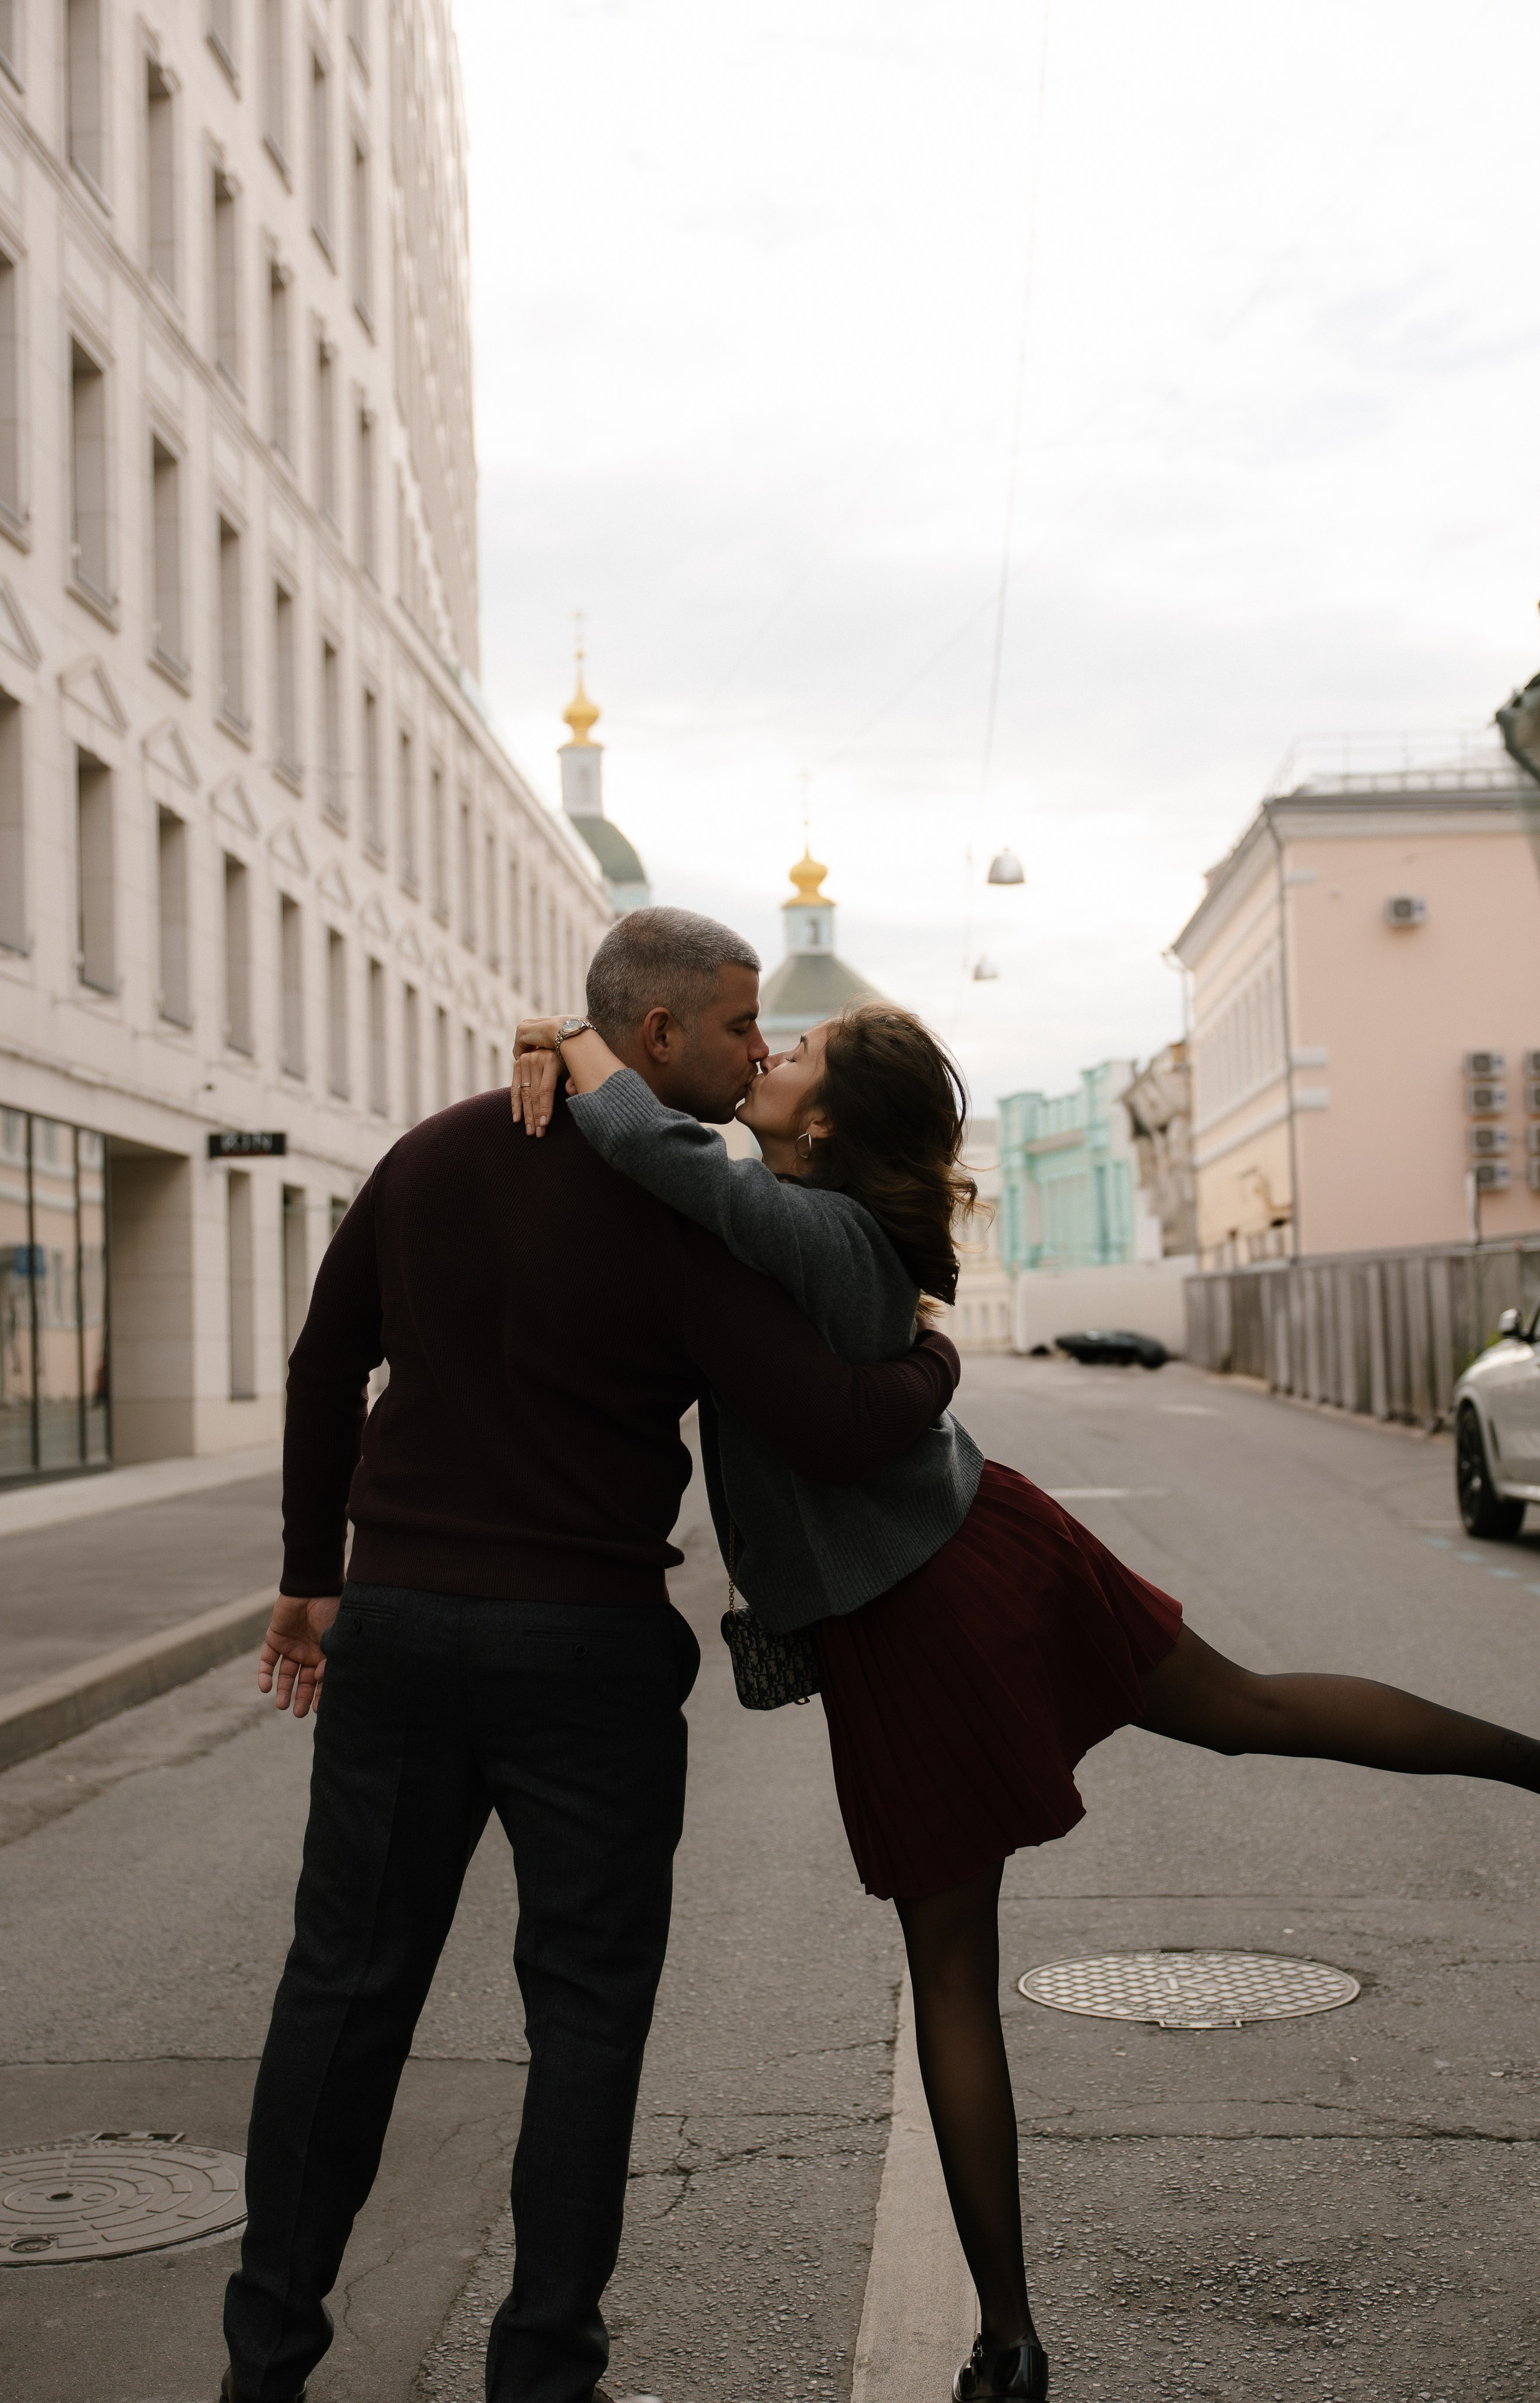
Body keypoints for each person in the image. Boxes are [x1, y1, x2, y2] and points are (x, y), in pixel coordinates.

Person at [511, 997, 1540, 2403]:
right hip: (985, 1541)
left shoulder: (802, 1226)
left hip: (916, 1612)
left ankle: (1006, 2339)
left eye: (793, 1054)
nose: (766, 1056)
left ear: (822, 1123)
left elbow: (639, 1136)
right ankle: (1534, 1763)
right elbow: (653, 1153)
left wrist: (563, 1033)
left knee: (952, 1977)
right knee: (1248, 1708)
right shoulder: (818, 1221)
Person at [219, 911, 964, 2403]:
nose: (762, 1050)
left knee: (341, 1991)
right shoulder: (681, 1216)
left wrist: (313, 1572)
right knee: (583, 2012)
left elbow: (320, 1362)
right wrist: (936, 1357)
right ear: (657, 1036)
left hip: (406, 1629)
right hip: (586, 1652)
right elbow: (825, 1424)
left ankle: (267, 2361)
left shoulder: (429, 1153)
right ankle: (543, 2368)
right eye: (742, 1026)